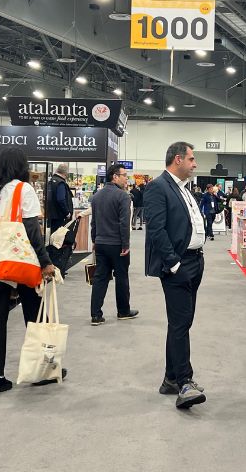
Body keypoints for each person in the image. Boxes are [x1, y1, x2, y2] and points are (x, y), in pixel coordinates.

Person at [0, 147, 57, 397]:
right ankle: (40, 370)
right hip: (22, 259)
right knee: (36, 314)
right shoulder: (25, 189)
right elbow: (32, 229)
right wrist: (46, 262)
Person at [144, 141, 207, 409]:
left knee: (181, 323)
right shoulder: (158, 187)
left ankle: (170, 379)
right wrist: (174, 264)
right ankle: (184, 382)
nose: (195, 164)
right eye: (192, 159)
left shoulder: (183, 189)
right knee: (181, 324)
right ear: (178, 159)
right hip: (179, 266)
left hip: (195, 262)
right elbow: (156, 230)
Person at [90, 164, 137, 325]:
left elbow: (94, 222)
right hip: (117, 245)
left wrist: (94, 240)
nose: (126, 178)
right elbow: (124, 223)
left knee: (100, 278)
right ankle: (123, 311)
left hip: (101, 243)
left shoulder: (96, 196)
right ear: (115, 177)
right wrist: (126, 244)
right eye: (124, 175)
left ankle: (95, 315)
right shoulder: (123, 196)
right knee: (122, 277)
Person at [47, 163, 74, 233]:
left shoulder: (51, 181)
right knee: (58, 238)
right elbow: (61, 199)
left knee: (53, 237)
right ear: (65, 173)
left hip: (52, 215)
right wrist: (67, 212)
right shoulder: (60, 183)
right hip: (59, 216)